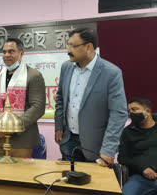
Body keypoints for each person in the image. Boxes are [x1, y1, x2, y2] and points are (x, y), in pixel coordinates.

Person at [54, 28, 128, 165]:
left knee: (95, 184)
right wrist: (58, 126)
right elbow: (60, 98)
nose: (68, 50)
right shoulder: (66, 67)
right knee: (69, 183)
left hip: (96, 146)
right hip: (68, 141)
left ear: (89, 47)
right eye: (68, 45)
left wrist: (109, 148)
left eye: (74, 46)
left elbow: (119, 113)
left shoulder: (111, 73)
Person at [0, 38, 46, 158]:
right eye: (4, 52)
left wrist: (9, 127)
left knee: (18, 175)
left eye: (11, 51)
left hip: (21, 141)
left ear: (21, 53)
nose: (7, 55)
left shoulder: (33, 75)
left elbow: (38, 107)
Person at [118, 97, 157, 195]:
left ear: (147, 111)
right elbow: (122, 158)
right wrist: (142, 167)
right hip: (140, 177)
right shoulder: (128, 132)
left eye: (134, 109)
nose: (131, 113)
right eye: (129, 111)